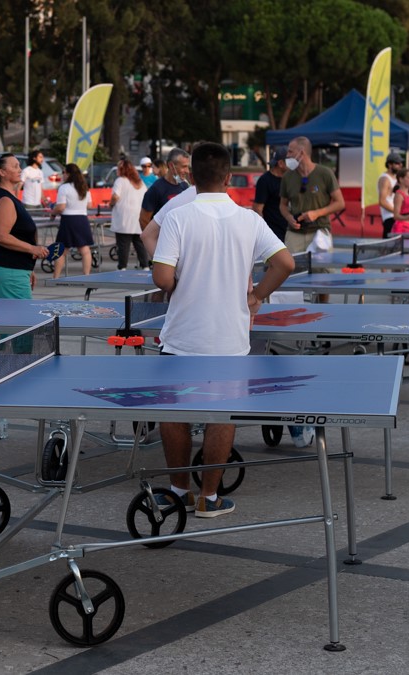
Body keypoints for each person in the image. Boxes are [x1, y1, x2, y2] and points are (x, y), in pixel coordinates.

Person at [151, 142, 295, 517]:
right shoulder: (249, 219)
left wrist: (181, 279)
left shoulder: (179, 219)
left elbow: (163, 277)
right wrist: (258, 295)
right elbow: (285, 263)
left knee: (174, 414)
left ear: (192, 177)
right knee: (222, 417)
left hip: (182, 335)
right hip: (230, 339)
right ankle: (209, 498)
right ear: (229, 178)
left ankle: (178, 490)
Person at [0, 153, 49, 344]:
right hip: (7, 270)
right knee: (22, 325)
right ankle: (19, 364)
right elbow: (1, 236)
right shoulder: (5, 201)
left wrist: (28, 269)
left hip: (12, 269)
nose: (20, 169)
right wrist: (32, 249)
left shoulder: (9, 198)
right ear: (2, 172)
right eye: (15, 166)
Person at [278, 136, 345, 253]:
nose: (287, 155)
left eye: (290, 151)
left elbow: (340, 203)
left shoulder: (325, 173)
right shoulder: (287, 177)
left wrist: (316, 213)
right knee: (293, 269)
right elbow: (282, 205)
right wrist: (289, 218)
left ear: (301, 153)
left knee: (322, 269)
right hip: (294, 234)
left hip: (319, 233)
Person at [49, 163, 95, 278]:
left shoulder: (64, 188)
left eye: (64, 172)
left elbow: (61, 207)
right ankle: (87, 275)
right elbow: (90, 205)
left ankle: (56, 277)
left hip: (68, 220)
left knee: (61, 250)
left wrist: (52, 213)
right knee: (85, 249)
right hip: (82, 219)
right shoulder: (84, 187)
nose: (63, 175)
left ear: (68, 174)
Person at [138, 149, 191, 233]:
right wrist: (154, 243)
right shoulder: (156, 189)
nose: (187, 171)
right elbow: (144, 220)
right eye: (184, 166)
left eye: (188, 167)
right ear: (171, 165)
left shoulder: (185, 186)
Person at [109, 158, 148, 269]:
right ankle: (145, 266)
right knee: (139, 244)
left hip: (124, 218)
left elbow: (115, 196)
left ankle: (122, 267)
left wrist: (111, 204)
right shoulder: (140, 183)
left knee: (123, 245)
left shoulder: (120, 181)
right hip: (138, 217)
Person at [252, 147, 290, 242]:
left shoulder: (292, 179)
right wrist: (264, 232)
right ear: (281, 163)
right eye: (291, 160)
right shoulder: (265, 181)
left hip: (291, 231)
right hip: (274, 233)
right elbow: (258, 208)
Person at [378, 152, 405, 238]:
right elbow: (382, 201)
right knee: (389, 248)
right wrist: (397, 212)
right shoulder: (385, 179)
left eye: (401, 163)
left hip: (396, 217)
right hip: (390, 218)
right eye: (397, 163)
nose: (400, 165)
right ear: (389, 164)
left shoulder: (395, 179)